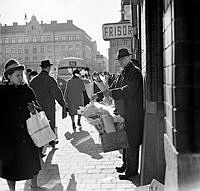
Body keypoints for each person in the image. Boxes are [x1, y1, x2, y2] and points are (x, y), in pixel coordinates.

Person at [92, 48, 144, 180]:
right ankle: (125, 165)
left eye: (122, 59)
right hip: (123, 112)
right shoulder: (123, 72)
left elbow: (128, 90)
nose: (120, 62)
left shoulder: (135, 72)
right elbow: (112, 87)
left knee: (131, 142)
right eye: (119, 60)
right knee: (124, 139)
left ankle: (131, 171)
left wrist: (110, 93)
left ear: (128, 58)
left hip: (132, 113)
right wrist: (100, 94)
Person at [0, 59, 41, 191]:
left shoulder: (27, 90)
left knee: (33, 162)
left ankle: (34, 187)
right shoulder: (2, 92)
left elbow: (38, 108)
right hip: (9, 136)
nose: (20, 77)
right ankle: (12, 190)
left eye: (21, 75)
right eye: (17, 75)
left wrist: (34, 109)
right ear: (8, 76)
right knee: (10, 167)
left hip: (28, 134)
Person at [30, 59, 68, 148]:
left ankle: (41, 143)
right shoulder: (49, 79)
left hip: (37, 107)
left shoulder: (33, 80)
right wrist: (63, 104)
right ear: (48, 68)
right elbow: (56, 93)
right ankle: (51, 141)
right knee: (50, 123)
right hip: (48, 106)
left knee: (40, 125)